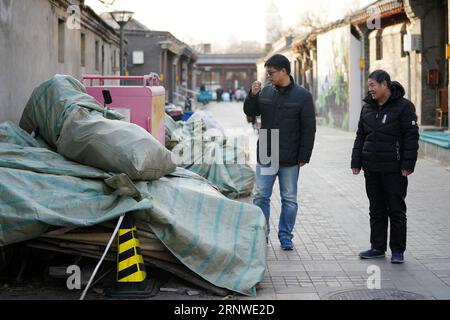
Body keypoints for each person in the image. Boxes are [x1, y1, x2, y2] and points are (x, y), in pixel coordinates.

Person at [244, 54, 316, 250]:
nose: (268, 76)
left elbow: (309, 128)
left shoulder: (302, 95)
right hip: (267, 150)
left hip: (290, 155)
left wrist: (304, 155)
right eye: (267, 72)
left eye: (271, 72)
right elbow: (251, 112)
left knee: (289, 198)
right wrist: (252, 95)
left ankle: (285, 236)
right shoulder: (266, 92)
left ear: (284, 71)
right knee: (261, 196)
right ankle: (262, 235)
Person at [351, 70, 419, 264]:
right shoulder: (367, 108)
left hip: (394, 169)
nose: (369, 89)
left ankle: (397, 250)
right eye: (369, 85)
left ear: (385, 85)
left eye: (373, 85)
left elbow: (411, 137)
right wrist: (356, 162)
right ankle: (377, 247)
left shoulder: (404, 107)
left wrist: (408, 164)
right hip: (371, 168)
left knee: (396, 210)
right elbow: (360, 135)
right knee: (376, 209)